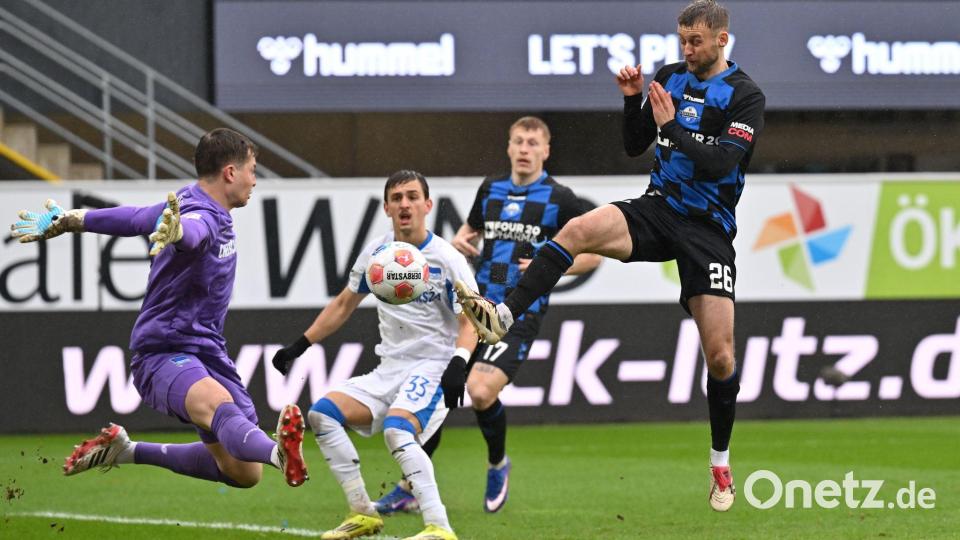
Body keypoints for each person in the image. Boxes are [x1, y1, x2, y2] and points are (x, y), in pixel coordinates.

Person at [454, 0, 765, 513]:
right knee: (577, 228)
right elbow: (633, 144)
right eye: (681, 39)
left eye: (696, 41)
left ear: (721, 40)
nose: (686, 50)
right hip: (659, 208)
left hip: (708, 230)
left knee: (722, 357)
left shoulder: (745, 96)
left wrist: (673, 129)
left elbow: (719, 163)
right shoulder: (670, 77)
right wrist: (632, 99)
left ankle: (719, 460)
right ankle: (505, 313)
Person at [9, 128, 308, 490]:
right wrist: (180, 233)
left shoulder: (185, 201)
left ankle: (127, 450)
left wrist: (75, 219)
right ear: (230, 172)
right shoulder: (202, 216)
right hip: (163, 352)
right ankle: (280, 455)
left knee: (243, 472)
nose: (254, 180)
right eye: (253, 170)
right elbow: (194, 233)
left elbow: (135, 217)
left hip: (208, 350)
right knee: (217, 403)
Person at [373, 116, 601, 515]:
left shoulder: (561, 198)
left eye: (533, 142)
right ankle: (411, 485)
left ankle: (497, 464)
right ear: (509, 147)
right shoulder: (491, 189)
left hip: (518, 310)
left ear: (546, 150)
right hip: (473, 307)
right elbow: (471, 229)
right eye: (519, 141)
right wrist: (462, 238)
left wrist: (552, 265)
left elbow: (593, 255)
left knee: (479, 391)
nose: (525, 148)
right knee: (440, 395)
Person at [270, 170, 477, 540]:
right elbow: (344, 304)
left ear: (428, 205)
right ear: (386, 207)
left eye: (413, 197)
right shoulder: (378, 255)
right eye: (396, 198)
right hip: (390, 368)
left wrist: (459, 363)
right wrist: (300, 345)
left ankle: (440, 528)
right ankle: (363, 512)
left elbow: (472, 321)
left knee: (398, 432)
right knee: (322, 415)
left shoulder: (447, 259)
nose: (405, 204)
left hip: (434, 367)